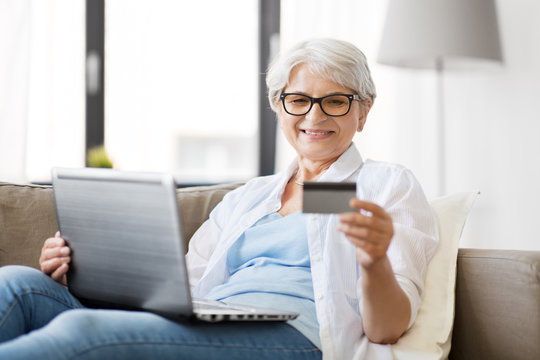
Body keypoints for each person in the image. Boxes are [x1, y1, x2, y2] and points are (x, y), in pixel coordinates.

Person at [0, 38, 438, 360]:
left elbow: (386, 330)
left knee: (83, 330)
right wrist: (80, 274)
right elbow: (179, 290)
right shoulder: (250, 197)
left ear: (363, 110)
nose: (314, 116)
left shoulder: (383, 186)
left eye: (336, 101)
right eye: (299, 100)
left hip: (299, 335)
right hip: (214, 320)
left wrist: (375, 261)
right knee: (16, 285)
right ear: (278, 106)